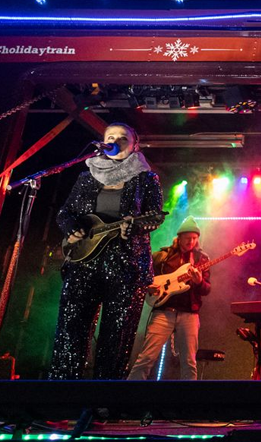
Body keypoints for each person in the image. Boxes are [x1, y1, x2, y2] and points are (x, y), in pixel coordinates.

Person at [49, 123, 163, 380]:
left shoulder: (146, 178)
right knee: (71, 330)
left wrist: (133, 229)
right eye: (110, 137)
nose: (116, 141)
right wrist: (73, 229)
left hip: (125, 265)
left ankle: (105, 400)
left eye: (123, 138)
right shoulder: (86, 176)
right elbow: (65, 213)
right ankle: (61, 398)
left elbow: (154, 217)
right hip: (83, 262)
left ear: (135, 145)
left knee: (117, 334)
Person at [127, 216, 211, 381]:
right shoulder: (164, 255)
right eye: (188, 238)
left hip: (189, 314)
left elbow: (207, 289)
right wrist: (148, 287)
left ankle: (187, 405)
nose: (191, 241)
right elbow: (145, 277)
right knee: (146, 358)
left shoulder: (202, 259)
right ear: (179, 237)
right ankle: (129, 397)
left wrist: (199, 281)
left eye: (194, 238)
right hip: (163, 311)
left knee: (189, 362)